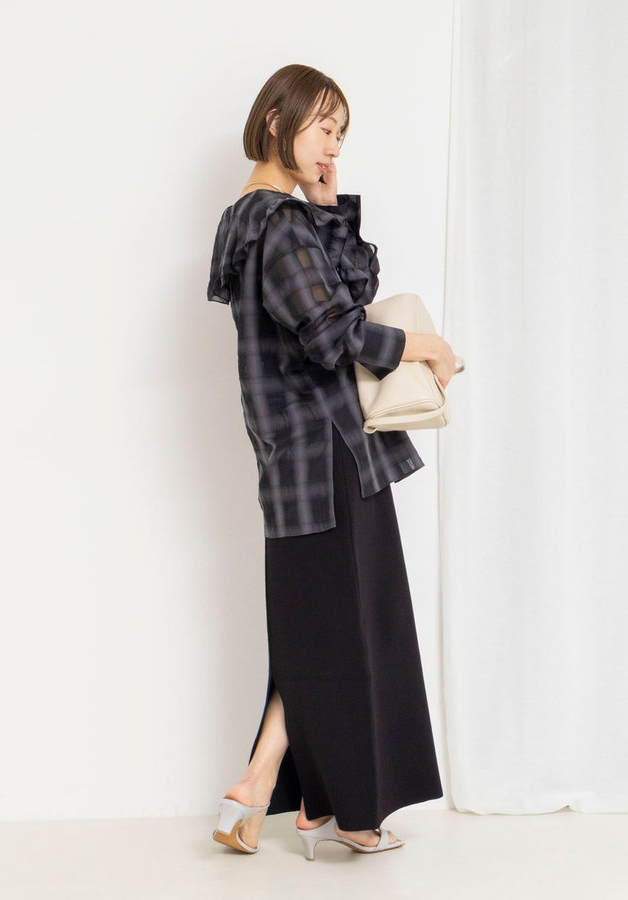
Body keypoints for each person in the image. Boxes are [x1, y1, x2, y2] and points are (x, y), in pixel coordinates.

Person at [207, 63, 457, 861]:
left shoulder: (256, 220)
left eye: (341, 134)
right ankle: (351, 813)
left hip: (297, 459)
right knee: (354, 635)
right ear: (276, 122)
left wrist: (328, 207)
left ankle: (261, 786)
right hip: (330, 453)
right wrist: (423, 345)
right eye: (323, 128)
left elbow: (341, 298)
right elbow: (332, 334)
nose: (332, 146)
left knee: (319, 631)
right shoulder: (277, 225)